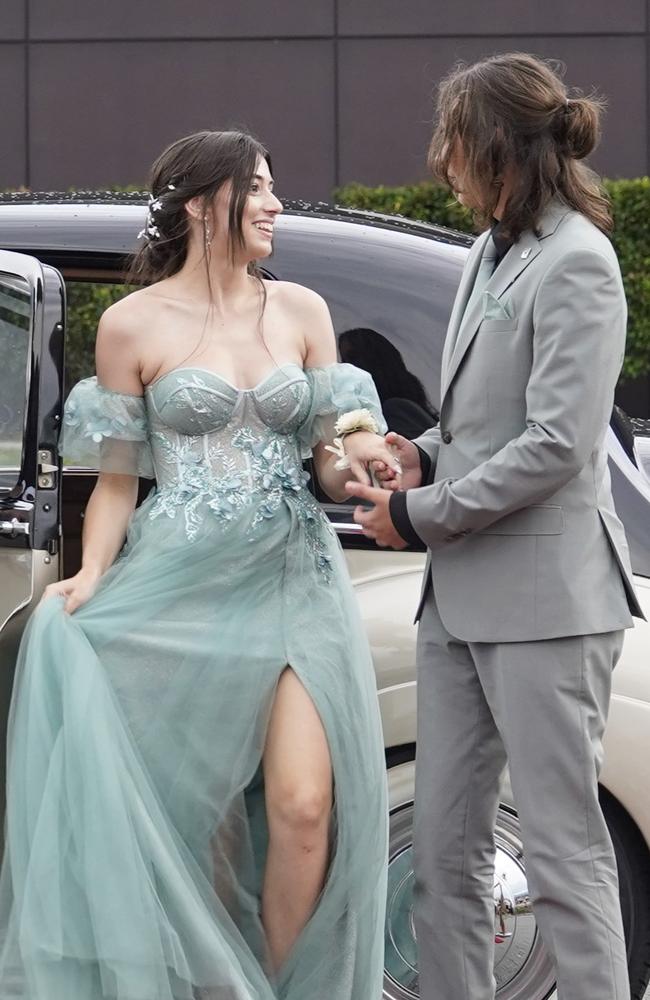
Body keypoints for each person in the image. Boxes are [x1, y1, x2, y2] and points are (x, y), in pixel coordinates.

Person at [0, 129, 394, 1000]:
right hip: (180, 582)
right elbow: (115, 482)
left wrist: (356, 461)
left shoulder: (301, 311)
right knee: (191, 819)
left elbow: (326, 453)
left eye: (273, 186)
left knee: (302, 811)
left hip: (296, 573)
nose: (275, 203)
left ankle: (279, 987)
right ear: (200, 206)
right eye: (257, 188)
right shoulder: (132, 325)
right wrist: (93, 573)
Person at [347, 54, 644, 1000]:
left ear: (502, 151)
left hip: (549, 606)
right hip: (460, 605)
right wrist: (421, 452)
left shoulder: (580, 261)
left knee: (561, 854)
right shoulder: (488, 249)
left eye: (454, 143)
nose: (442, 162)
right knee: (443, 851)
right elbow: (485, 419)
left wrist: (417, 514)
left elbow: (558, 443)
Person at [338, 327, 438, 438]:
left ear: (376, 360)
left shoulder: (395, 412)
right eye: (343, 361)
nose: (345, 368)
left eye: (353, 358)